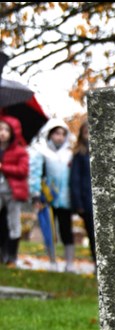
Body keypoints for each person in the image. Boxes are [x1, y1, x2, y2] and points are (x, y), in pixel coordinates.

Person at [29, 119, 74, 272]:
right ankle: (52, 261)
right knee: (49, 230)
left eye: (62, 134)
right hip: (47, 198)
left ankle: (69, 263)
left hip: (66, 199)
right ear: (49, 134)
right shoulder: (41, 151)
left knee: (66, 230)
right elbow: (35, 174)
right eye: (56, 133)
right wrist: (35, 194)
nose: (59, 137)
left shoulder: (69, 153)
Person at [0, 115, 29, 267]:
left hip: (12, 191)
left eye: (6, 130)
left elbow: (23, 170)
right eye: (0, 129)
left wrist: (4, 167)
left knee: (13, 222)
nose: (2, 133)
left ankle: (12, 256)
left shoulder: (20, 151)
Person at [68, 120, 95, 265]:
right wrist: (78, 203)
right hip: (87, 201)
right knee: (92, 234)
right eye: (86, 132)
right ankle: (97, 263)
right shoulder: (79, 154)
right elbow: (75, 180)